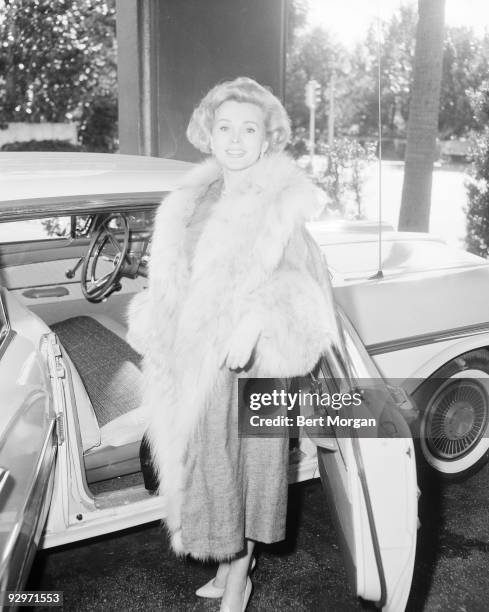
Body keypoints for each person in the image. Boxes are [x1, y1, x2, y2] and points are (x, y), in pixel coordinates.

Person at [127, 76, 337, 612]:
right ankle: (228, 562)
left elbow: (308, 291)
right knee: (211, 472)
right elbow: (173, 282)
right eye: (225, 128)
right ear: (208, 134)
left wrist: (255, 324)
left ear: (268, 140)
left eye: (250, 129)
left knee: (243, 476)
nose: (236, 140)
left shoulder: (280, 204)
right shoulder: (190, 200)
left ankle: (239, 578)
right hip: (196, 364)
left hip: (251, 368)